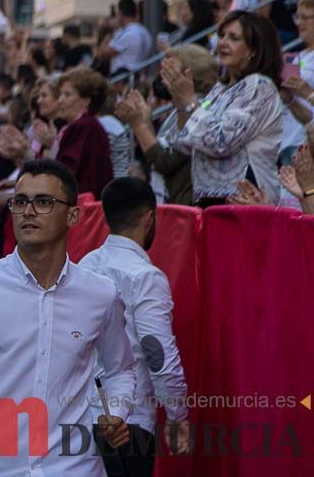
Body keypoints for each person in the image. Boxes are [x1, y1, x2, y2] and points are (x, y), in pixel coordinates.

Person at [0, 160, 137, 477]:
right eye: (20, 201)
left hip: (75, 468)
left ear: (73, 215)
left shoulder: (100, 295)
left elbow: (121, 369)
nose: (28, 211)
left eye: (43, 202)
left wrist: (116, 412)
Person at [79, 178, 191, 475]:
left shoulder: (83, 267)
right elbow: (159, 356)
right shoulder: (145, 277)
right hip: (128, 423)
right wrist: (178, 415)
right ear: (149, 219)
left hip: (79, 418)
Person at [167, 11, 285, 206]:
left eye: (234, 38)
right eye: (221, 36)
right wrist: (182, 105)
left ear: (253, 50)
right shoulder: (219, 89)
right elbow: (184, 144)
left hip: (246, 199)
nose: (222, 43)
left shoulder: (259, 86)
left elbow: (221, 141)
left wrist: (190, 102)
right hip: (210, 200)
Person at [116, 45, 219, 205]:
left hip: (186, 208)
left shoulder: (200, 108)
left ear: (190, 75)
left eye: (171, 69)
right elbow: (162, 149)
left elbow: (165, 161)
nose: (163, 75)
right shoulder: (179, 107)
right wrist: (146, 122)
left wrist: (139, 125)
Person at [54, 67, 114, 197]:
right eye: (60, 94)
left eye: (67, 94)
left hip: (83, 207)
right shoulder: (88, 125)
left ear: (86, 101)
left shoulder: (83, 127)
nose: (60, 100)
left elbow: (65, 172)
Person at [279, 0, 314, 165]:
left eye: (306, 17)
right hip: (288, 139)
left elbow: (306, 93)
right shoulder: (297, 55)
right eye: (297, 16)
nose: (299, 23)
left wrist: (306, 91)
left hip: (308, 142)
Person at [100, 0, 155, 74]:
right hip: (138, 76)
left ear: (120, 14)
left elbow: (102, 55)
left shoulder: (127, 34)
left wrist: (110, 32)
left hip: (123, 80)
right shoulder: (145, 32)